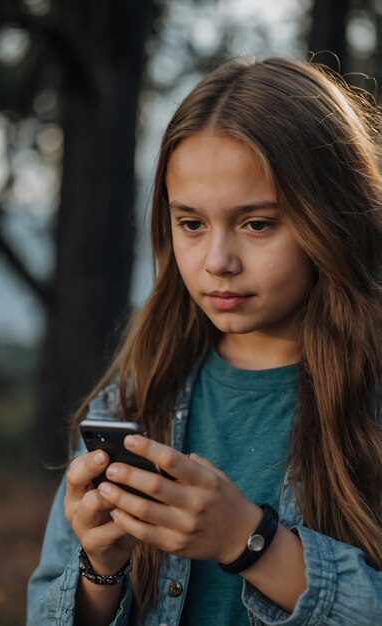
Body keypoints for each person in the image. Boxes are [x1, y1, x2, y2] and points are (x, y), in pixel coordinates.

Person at [27, 56, 382, 626]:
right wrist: (100, 567)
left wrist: (250, 541)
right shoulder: (136, 393)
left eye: (258, 223)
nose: (218, 262)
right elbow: (47, 607)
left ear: (332, 215)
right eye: (191, 224)